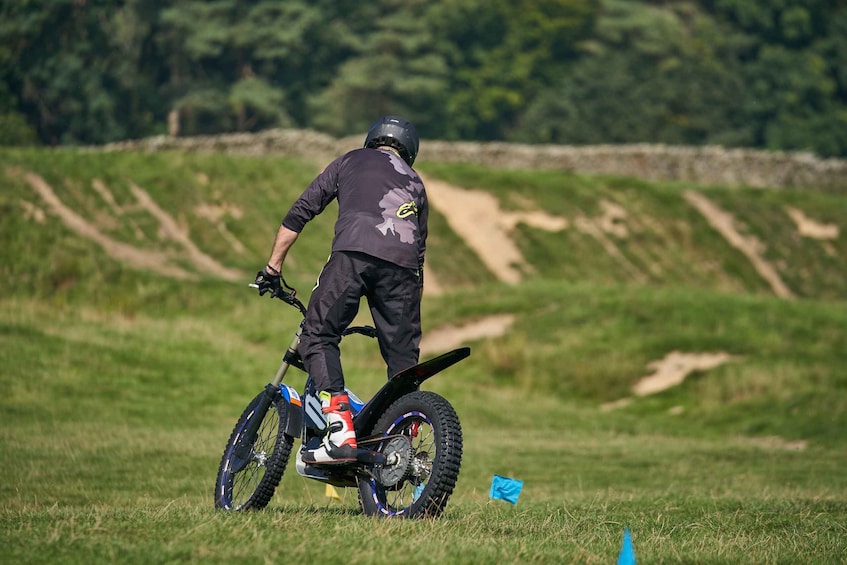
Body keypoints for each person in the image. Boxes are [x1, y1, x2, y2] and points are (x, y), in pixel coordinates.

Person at [254, 116, 428, 465]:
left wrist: (273, 268)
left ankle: (340, 431)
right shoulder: (416, 183)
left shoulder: (350, 159)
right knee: (403, 361)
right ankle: (404, 439)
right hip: (404, 272)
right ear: (408, 151)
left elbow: (301, 212)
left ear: (372, 139)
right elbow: (419, 255)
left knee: (317, 335)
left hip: (353, 255)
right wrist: (401, 323)